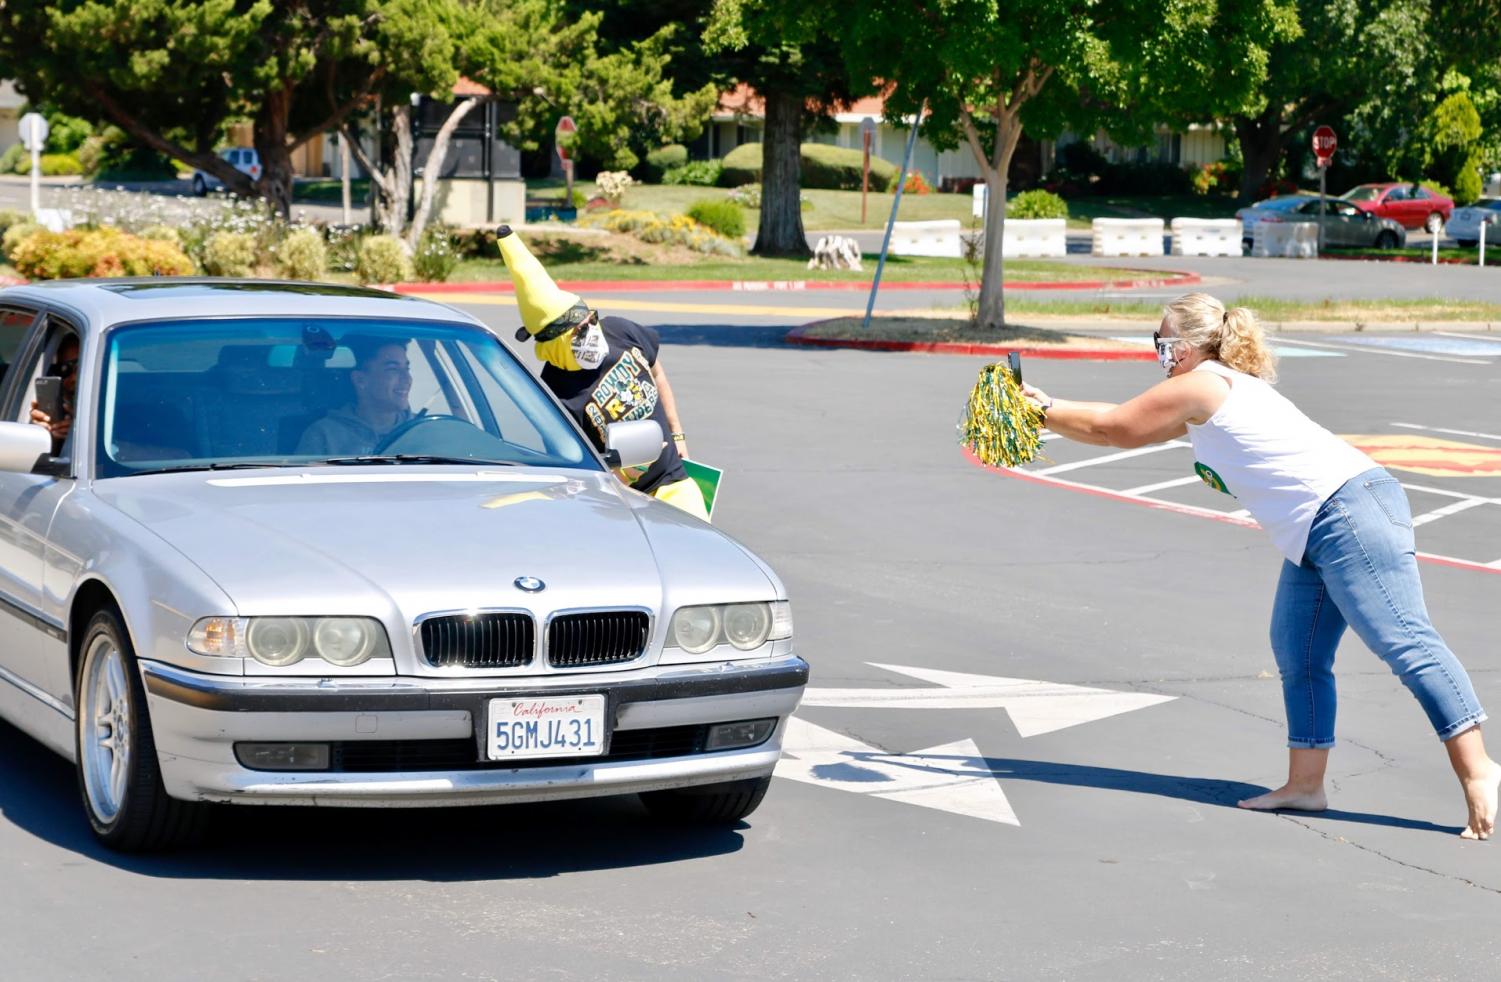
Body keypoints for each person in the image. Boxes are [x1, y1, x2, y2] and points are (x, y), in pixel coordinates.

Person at [1020, 292, 1499, 840]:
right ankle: (1305, 785)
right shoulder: (1210, 394)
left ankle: (1479, 769)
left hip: (1347, 513)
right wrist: (1046, 407)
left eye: (1162, 341)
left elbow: (1115, 428)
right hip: (1318, 526)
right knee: (1297, 648)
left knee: (1404, 640)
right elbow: (1117, 428)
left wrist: (1041, 409)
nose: (1157, 351)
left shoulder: (1204, 384)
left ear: (1192, 344)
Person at [494, 225, 709, 520]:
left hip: (674, 483)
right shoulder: (555, 395)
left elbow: (657, 374)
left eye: (591, 320)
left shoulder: (620, 331)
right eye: (579, 331)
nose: (592, 332)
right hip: (619, 506)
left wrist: (678, 434)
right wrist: (624, 475)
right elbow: (576, 477)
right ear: (556, 344)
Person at [296, 335, 413, 456]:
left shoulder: (422, 430)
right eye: (393, 369)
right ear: (360, 380)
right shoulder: (324, 435)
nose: (407, 378)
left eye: (407, 368)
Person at [30, 333, 79, 455]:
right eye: (65, 369)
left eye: (82, 367)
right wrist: (46, 436)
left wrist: (79, 431)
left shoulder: (118, 416)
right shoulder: (57, 413)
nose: (74, 378)